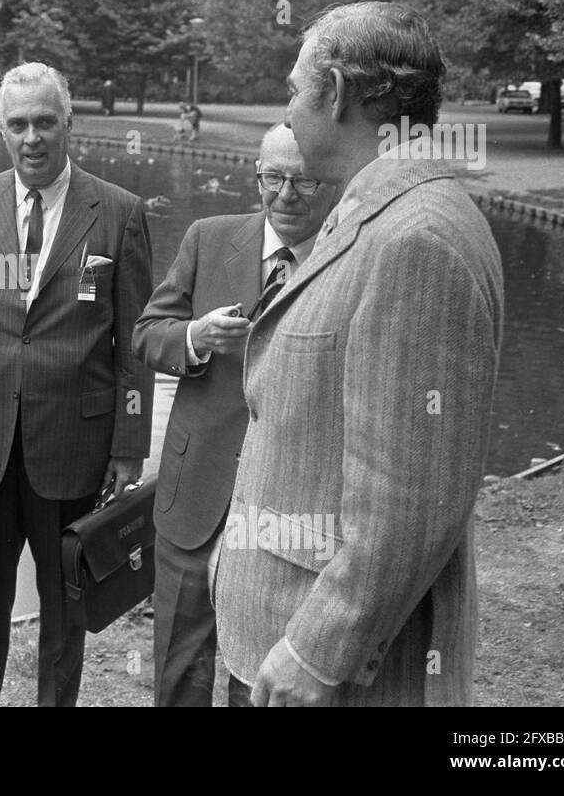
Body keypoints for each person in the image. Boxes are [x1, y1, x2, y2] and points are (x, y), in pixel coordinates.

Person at [215, 1, 504, 707]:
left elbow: (414, 496)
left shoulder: (417, 240)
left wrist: (319, 649)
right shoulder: (374, 214)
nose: (288, 110)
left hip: (330, 674)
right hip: (282, 643)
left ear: (337, 91)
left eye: (293, 89)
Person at [0, 62, 154, 707]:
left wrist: (127, 443)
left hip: (74, 448)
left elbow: (133, 344)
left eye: (45, 122)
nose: (32, 138)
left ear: (68, 124)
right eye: (18, 124)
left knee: (65, 611)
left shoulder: (119, 213)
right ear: (1, 129)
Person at [132, 124, 338, 707]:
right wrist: (193, 336)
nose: (286, 194)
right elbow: (146, 334)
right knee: (180, 667)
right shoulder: (208, 238)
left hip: (289, 508)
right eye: (273, 178)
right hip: (196, 496)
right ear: (256, 176)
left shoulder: (343, 258)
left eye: (302, 180)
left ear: (327, 182)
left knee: (261, 677)